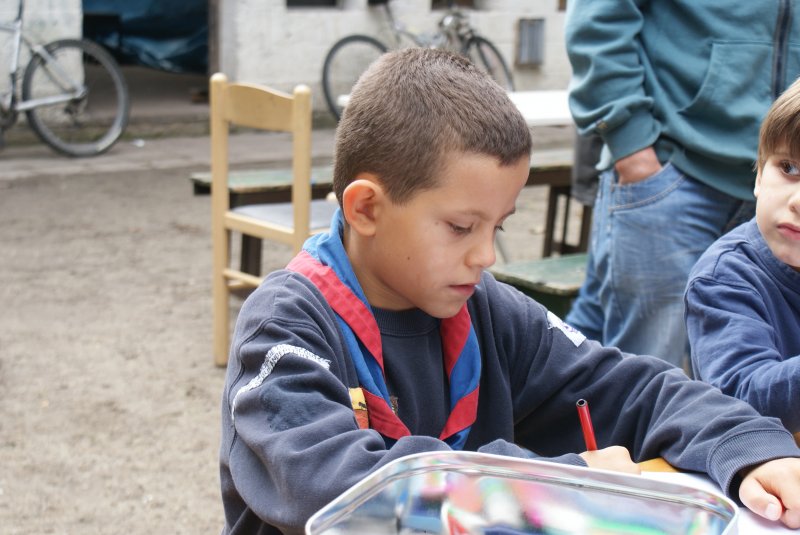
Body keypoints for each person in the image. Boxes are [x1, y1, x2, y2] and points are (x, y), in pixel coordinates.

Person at [219, 48, 800, 535]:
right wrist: (568, 483)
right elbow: (349, 494)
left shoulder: (485, 308)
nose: (486, 256)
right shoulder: (284, 327)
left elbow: (635, 388)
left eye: (496, 227)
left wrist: (748, 444)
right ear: (366, 208)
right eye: (460, 227)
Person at [562, 1, 799, 369]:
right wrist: (631, 144)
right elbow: (599, 18)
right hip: (672, 166)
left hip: (776, 179)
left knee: (588, 348)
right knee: (649, 371)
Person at [686, 77, 800, 435]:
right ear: (759, 174)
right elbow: (740, 397)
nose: (797, 202)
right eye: (789, 168)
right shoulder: (725, 278)